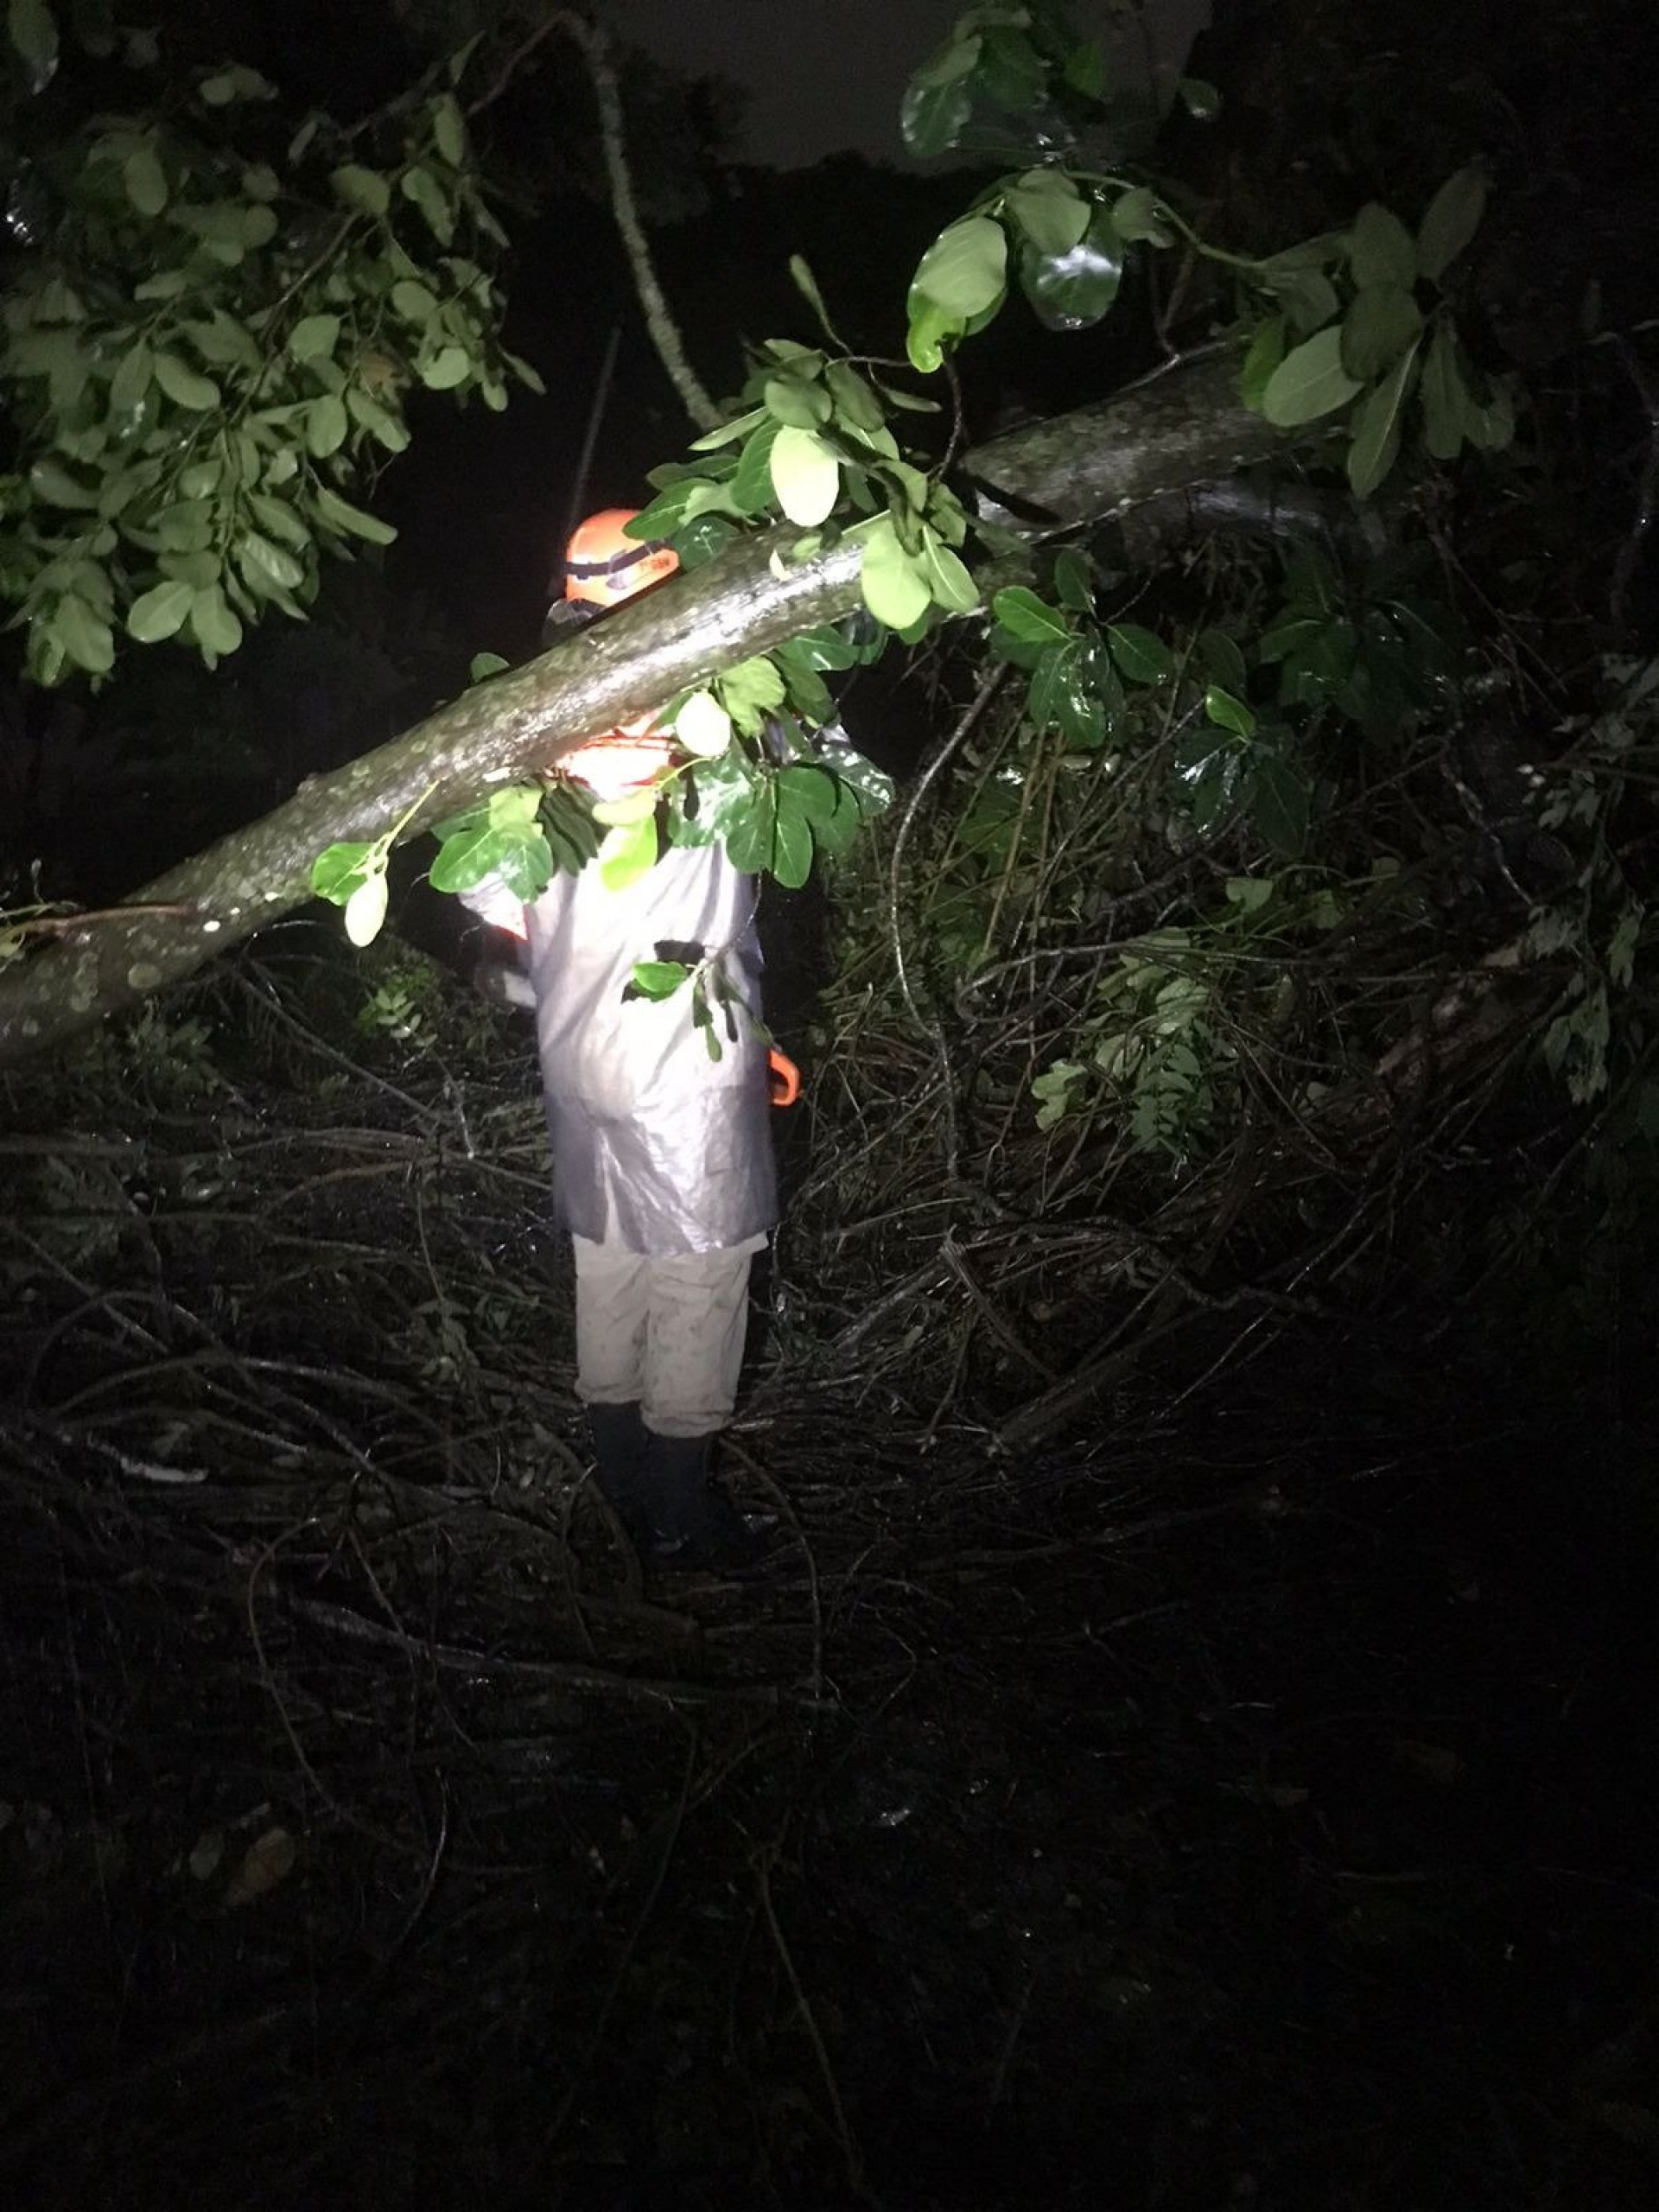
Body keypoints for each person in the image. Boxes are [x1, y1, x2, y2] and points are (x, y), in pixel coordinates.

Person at [467, 508, 782, 1568]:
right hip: (687, 1065)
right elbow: (814, 781)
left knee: (607, 1263)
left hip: (575, 1060)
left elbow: (490, 898)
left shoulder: (531, 743)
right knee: (698, 1274)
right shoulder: (724, 728)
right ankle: (684, 1523)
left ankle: (622, 1495)